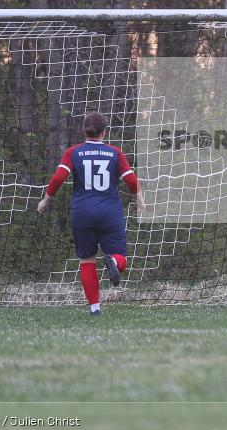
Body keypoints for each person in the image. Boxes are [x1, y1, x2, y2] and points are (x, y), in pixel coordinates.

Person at [37, 112, 146, 316]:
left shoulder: (73, 152)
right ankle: (114, 262)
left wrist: (46, 200)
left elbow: (59, 177)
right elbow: (131, 180)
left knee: (87, 260)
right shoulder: (114, 153)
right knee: (120, 256)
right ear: (104, 132)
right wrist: (140, 199)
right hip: (109, 213)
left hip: (82, 213)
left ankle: (95, 309)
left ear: (84, 131)